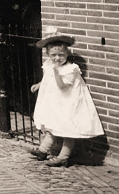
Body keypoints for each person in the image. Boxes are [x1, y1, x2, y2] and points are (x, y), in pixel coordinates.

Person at [26, 27, 104, 167]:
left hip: (68, 103)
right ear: (48, 54)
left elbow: (62, 86)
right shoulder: (50, 65)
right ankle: (43, 151)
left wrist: (56, 72)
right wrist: (40, 84)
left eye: (61, 55)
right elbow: (48, 77)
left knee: (68, 129)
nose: (57, 58)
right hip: (56, 102)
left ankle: (63, 156)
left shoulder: (70, 69)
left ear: (67, 54)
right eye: (53, 55)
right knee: (52, 126)